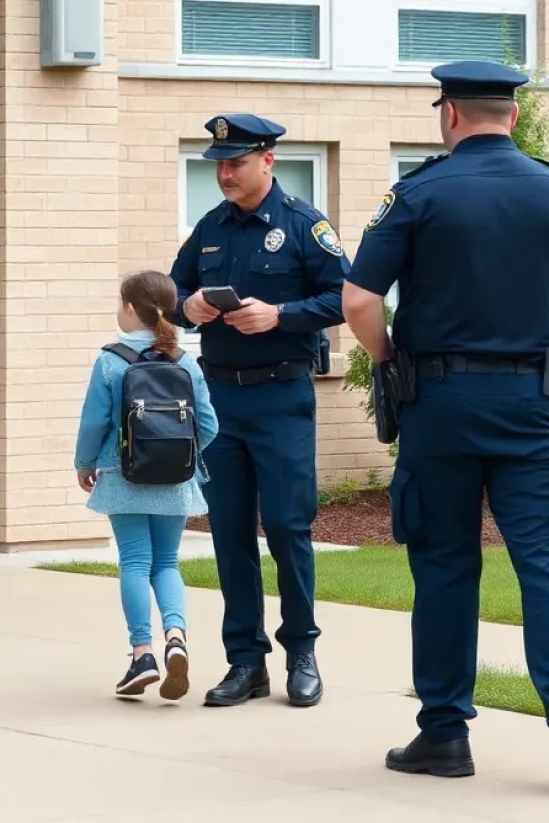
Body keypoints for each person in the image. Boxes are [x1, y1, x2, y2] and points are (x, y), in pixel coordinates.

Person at [343, 60, 549, 778]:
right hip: (536, 405)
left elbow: (360, 301)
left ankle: (445, 736)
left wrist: (389, 358)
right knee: (545, 568)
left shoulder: (417, 193)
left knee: (444, 568)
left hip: (441, 405)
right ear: (514, 117)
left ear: (450, 115)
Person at [169, 114, 349, 709]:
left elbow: (343, 298)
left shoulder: (303, 225)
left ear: (267, 161)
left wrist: (281, 315)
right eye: (218, 163)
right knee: (229, 533)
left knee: (288, 527)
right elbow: (172, 294)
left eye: (236, 162)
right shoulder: (210, 227)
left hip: (281, 396)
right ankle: (245, 663)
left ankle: (302, 651)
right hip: (221, 399)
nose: (224, 173)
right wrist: (188, 305)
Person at [75, 270, 218, 698]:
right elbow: (208, 425)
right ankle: (177, 637)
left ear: (131, 308)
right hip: (175, 478)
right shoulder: (185, 360)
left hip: (123, 473)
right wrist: (179, 455)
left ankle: (142, 654)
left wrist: (85, 463)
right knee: (167, 563)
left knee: (135, 562)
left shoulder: (109, 359)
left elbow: (95, 422)